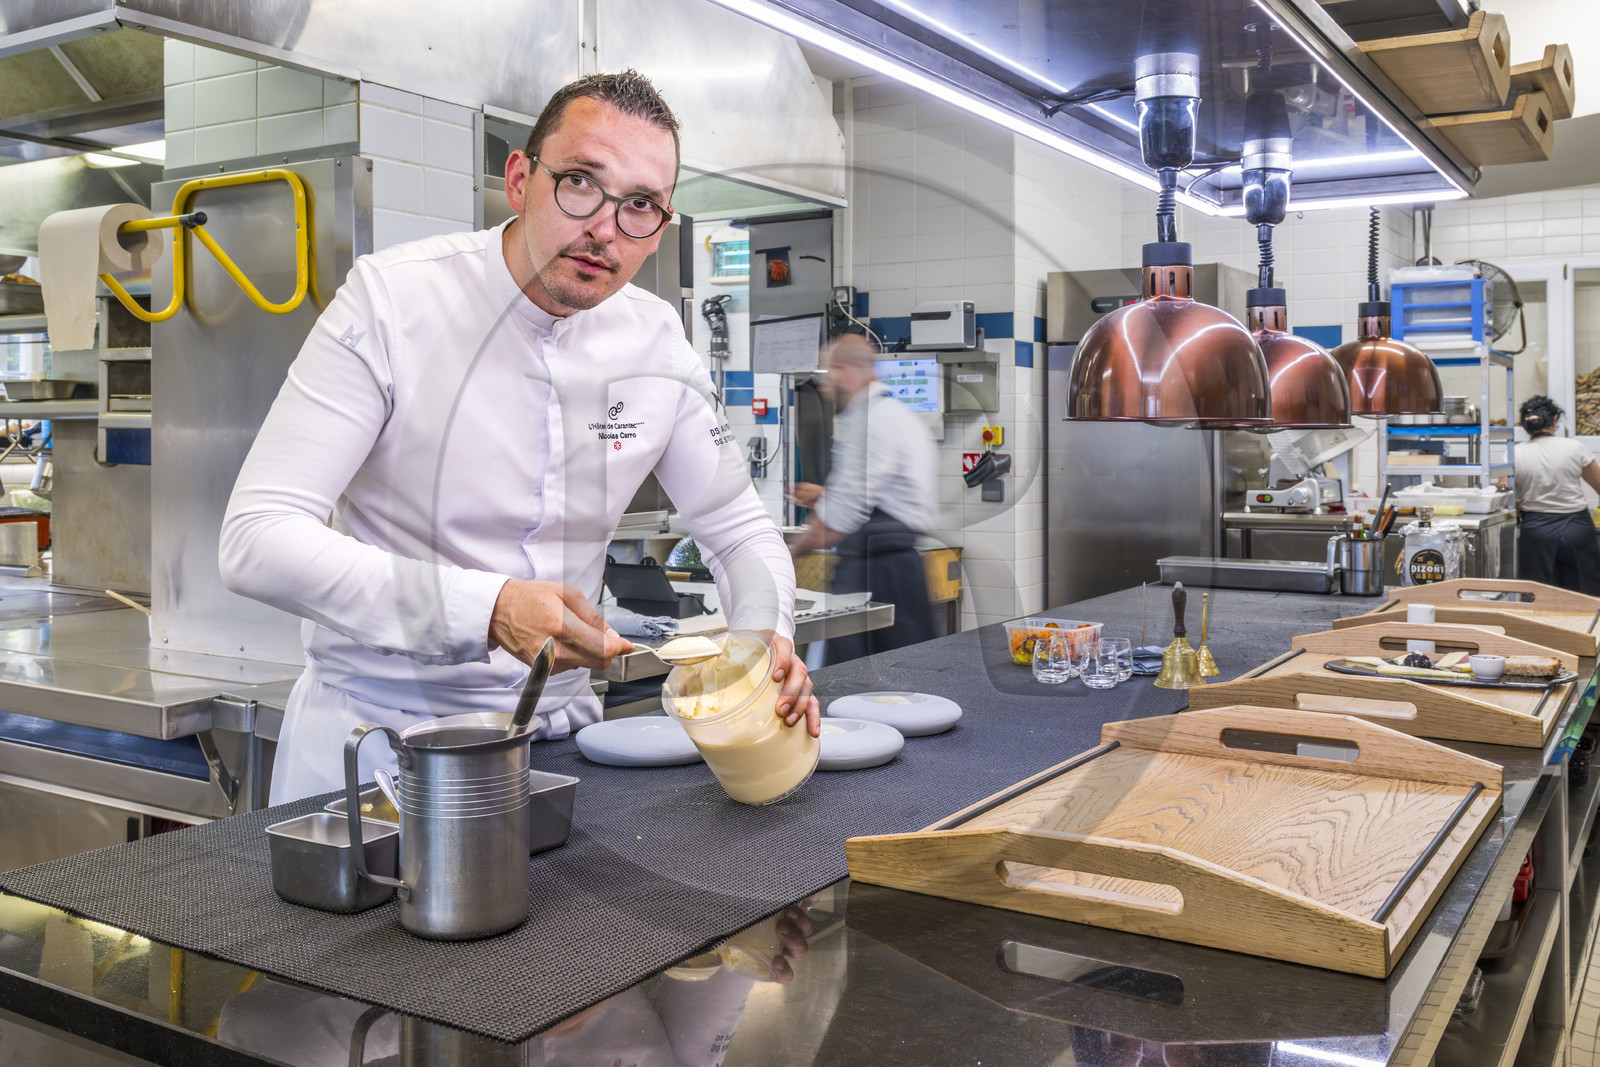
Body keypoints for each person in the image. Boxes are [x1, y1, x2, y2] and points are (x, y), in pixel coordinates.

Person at [221, 71, 818, 801]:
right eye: (578, 183)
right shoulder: (392, 303)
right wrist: (489, 607)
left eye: (640, 206)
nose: (605, 228)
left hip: (560, 754)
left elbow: (737, 529)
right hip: (378, 750)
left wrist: (762, 643)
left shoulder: (656, 339)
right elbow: (257, 539)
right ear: (518, 178)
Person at [788, 335, 938, 663]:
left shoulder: (868, 421)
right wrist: (827, 497)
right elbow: (874, 494)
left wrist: (791, 554)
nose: (825, 389)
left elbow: (843, 515)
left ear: (845, 372)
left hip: (875, 576)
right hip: (901, 571)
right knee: (904, 683)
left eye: (827, 378)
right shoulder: (900, 416)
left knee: (849, 686)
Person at [1512, 395, 1600, 595]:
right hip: (1576, 530)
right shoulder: (1574, 447)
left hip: (1536, 532)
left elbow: (1507, 498)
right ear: (1554, 419)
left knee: (1540, 595)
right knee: (1584, 594)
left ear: (1525, 424)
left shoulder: (1515, 453)